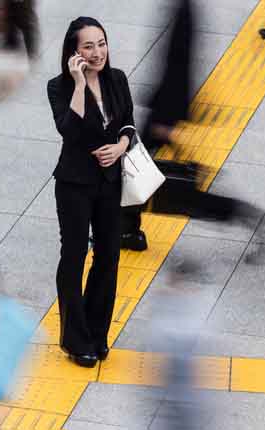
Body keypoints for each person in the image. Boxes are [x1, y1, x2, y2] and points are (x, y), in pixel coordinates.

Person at [46, 16, 135, 368]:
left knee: (109, 255)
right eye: (88, 46)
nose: (97, 52)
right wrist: (80, 83)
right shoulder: (59, 86)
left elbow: (128, 120)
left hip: (111, 182)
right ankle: (74, 339)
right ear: (74, 52)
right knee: (74, 256)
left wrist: (122, 146)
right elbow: (69, 130)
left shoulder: (118, 79)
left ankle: (97, 333)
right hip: (74, 184)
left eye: (101, 43)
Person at [120, 0, 193, 251]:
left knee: (132, 169)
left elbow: (180, 64)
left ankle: (128, 232)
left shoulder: (184, 10)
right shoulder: (181, 7)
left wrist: (166, 118)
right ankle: (128, 230)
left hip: (164, 111)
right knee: (133, 168)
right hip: (163, 107)